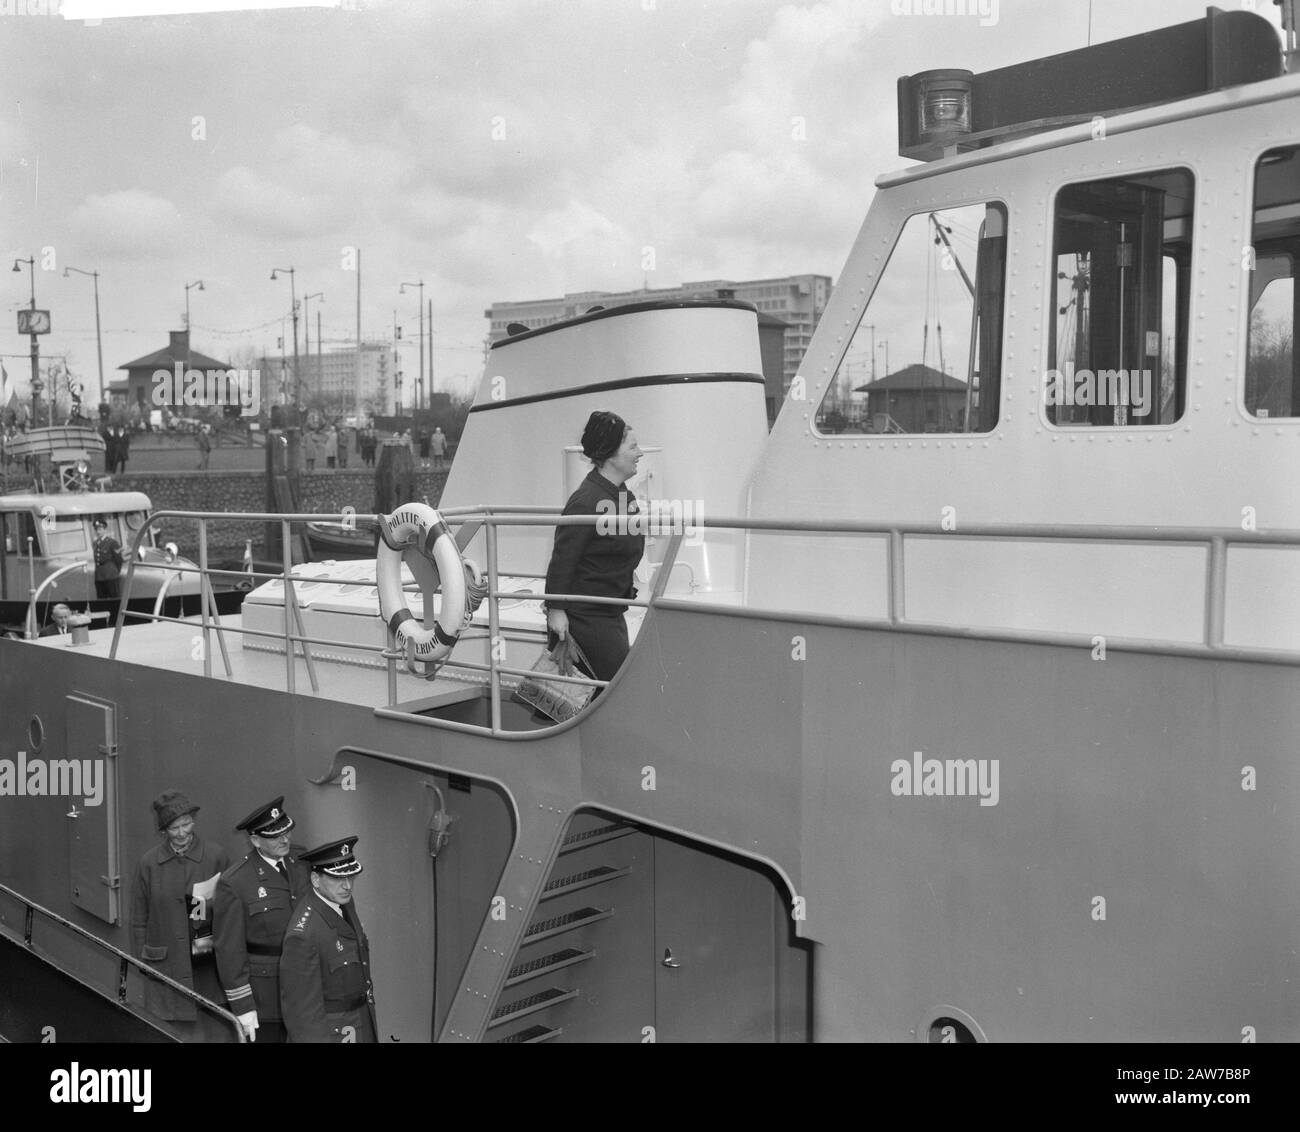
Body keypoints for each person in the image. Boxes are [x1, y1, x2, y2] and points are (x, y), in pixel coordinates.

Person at [544, 410, 645, 689]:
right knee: (610, 692)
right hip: (588, 620)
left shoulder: (621, 496)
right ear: (611, 455)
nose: (640, 454)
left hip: (610, 613)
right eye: (633, 447)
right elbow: (563, 560)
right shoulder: (586, 501)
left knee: (606, 692)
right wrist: (556, 609)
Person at [130, 790, 232, 1039]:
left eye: (186, 824)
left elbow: (232, 913)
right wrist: (142, 960)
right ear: (163, 830)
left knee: (214, 1033)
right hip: (165, 968)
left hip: (206, 965)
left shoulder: (215, 856)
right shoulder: (148, 864)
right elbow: (138, 919)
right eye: (174, 828)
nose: (182, 833)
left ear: (193, 821)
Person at [213, 796, 310, 1044]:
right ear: (255, 840)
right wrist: (243, 1007)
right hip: (268, 998)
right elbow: (229, 951)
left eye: (286, 832)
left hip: (309, 987)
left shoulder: (303, 861)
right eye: (275, 836)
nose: (285, 839)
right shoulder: (235, 882)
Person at [279, 837, 377, 1043]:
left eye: (350, 876)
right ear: (315, 879)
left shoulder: (344, 903)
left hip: (360, 1021)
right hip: (333, 1032)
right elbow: (301, 1014)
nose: (347, 885)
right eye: (337, 879)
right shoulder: (303, 934)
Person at [91, 518, 124, 600]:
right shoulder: (95, 543)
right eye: (96, 530)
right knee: (101, 600)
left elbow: (119, 560)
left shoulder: (112, 543)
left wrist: (115, 572)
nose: (98, 532)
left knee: (114, 600)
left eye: (100, 529)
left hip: (111, 576)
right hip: (99, 577)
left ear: (105, 530)